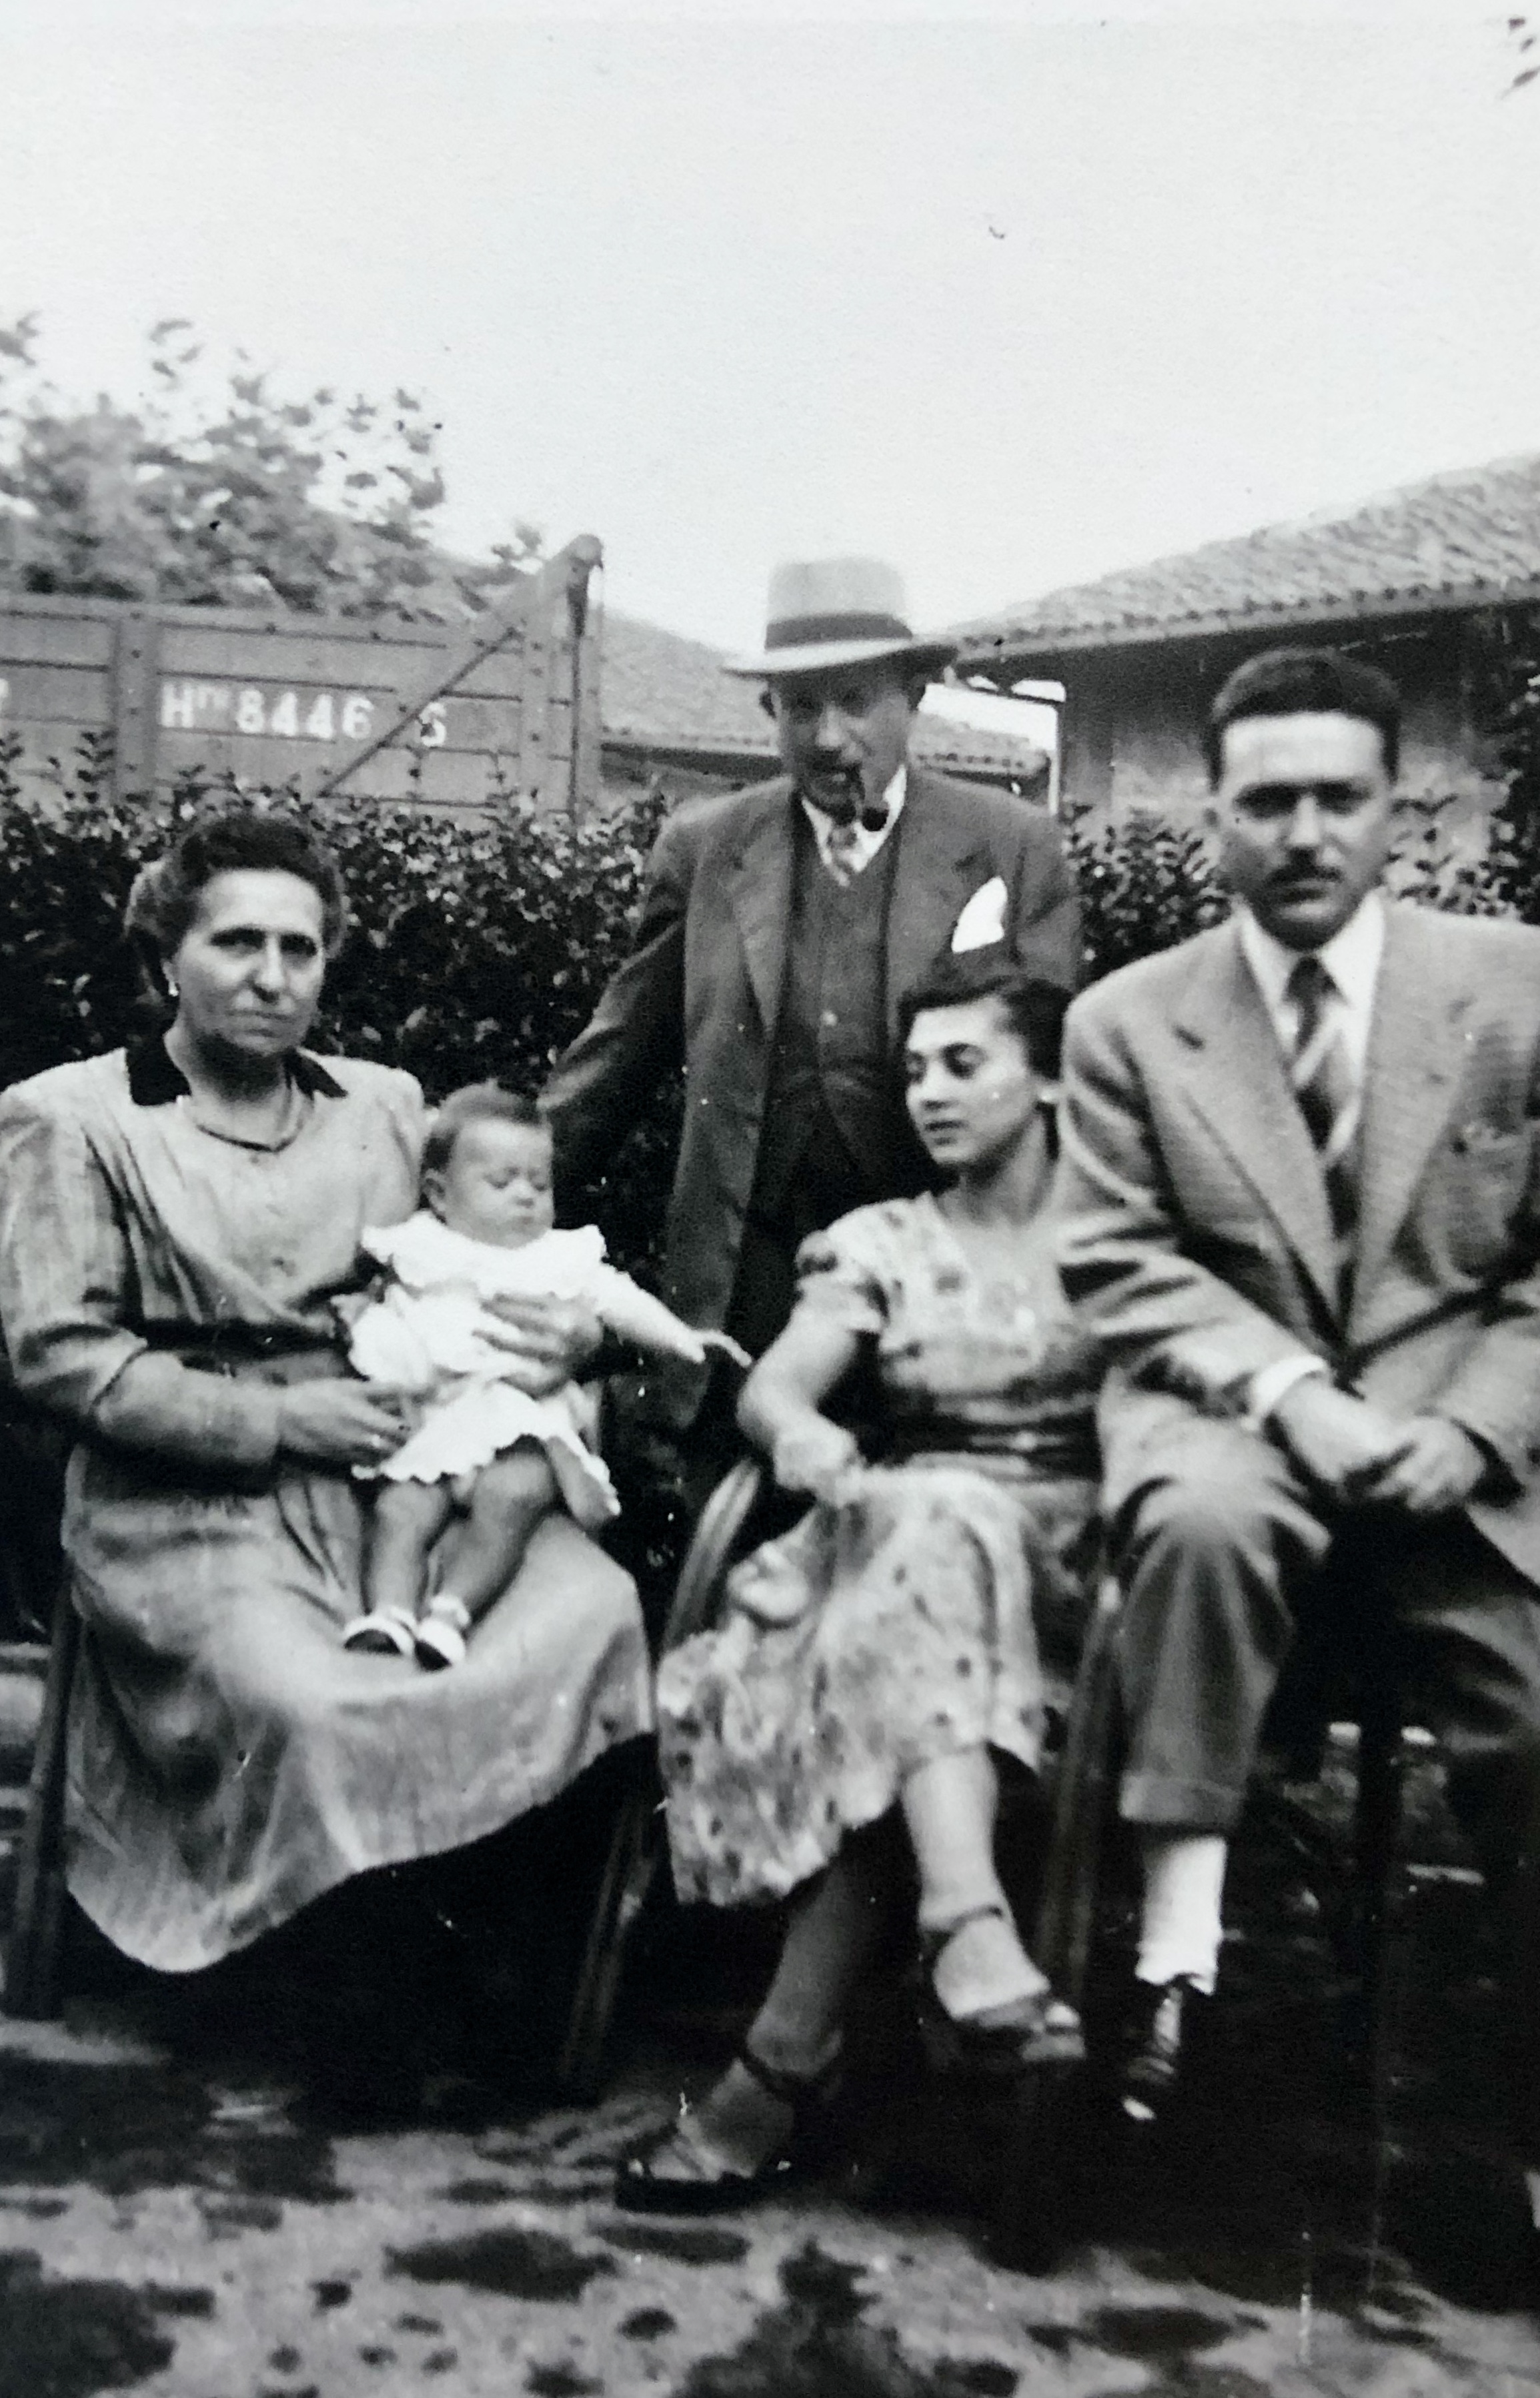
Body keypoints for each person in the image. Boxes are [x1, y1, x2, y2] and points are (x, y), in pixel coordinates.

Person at [0, 808, 650, 2052]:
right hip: (184, 1497)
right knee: (310, 1693)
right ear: (164, 959)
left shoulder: (382, 1107)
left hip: (392, 1461)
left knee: (588, 1611)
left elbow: (473, 1267)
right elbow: (59, 1355)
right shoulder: (74, 1117)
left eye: (300, 950)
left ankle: (489, 1952)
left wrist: (566, 1339)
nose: (271, 976)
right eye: (236, 943)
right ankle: (355, 1985)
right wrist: (278, 1418)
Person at [1054, 646, 1540, 2174]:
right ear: (1210, 817)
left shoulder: (1514, 987)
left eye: (1338, 796)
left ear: (1397, 809)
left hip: (1460, 1430)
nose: (1304, 832)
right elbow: (1115, 1259)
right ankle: (1175, 1967)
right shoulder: (1129, 1020)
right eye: (1266, 801)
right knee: (1194, 1526)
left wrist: (1464, 1429)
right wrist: (1284, 1395)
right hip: (1230, 1413)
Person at [616, 947, 1101, 2211]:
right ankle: (961, 1928)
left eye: (964, 1063)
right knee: (929, 1513)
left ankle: (777, 2071)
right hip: (895, 1557)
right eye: (914, 1071)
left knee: (901, 1671)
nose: (930, 1093)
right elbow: (778, 1382)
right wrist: (799, 1434)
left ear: (1047, 1082)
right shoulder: (883, 1242)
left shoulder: (1120, 1240)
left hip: (1067, 1590)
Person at [542, 556, 1082, 1499]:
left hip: (936, 1265)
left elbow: (1050, 1068)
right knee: (737, 1523)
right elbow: (619, 1053)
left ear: (915, 695)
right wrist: (467, 1206)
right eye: (800, 708)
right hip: (751, 1259)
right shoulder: (709, 847)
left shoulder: (1009, 844)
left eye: (857, 700)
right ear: (771, 716)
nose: (830, 737)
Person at [343, 1083, 748, 1668]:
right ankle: (389, 1610)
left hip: (519, 1421)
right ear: (438, 1193)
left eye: (539, 1183)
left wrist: (684, 1339)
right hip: (437, 1419)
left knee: (517, 1494)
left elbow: (620, 1300)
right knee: (400, 1509)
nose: (526, 1199)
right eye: (502, 1183)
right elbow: (383, 1318)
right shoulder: (419, 1249)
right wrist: (368, 1335)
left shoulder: (560, 1257)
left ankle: (453, 1610)